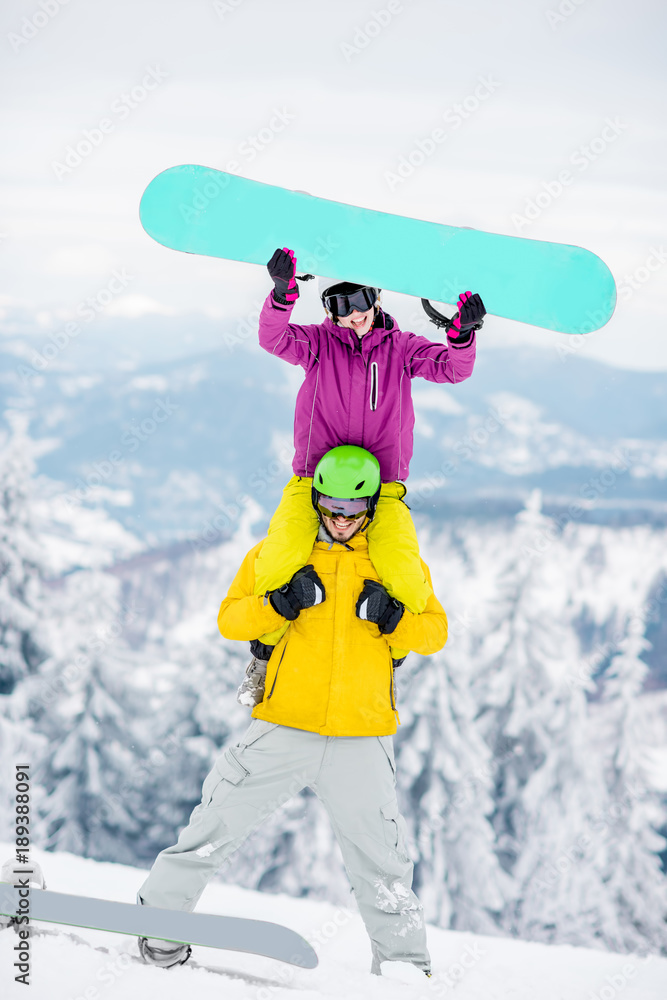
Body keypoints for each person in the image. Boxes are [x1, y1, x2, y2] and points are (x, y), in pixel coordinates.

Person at [137, 445, 448, 980]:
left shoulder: (397, 566)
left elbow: (436, 631)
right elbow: (231, 619)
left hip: (363, 736)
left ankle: (402, 968)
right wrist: (278, 604)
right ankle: (159, 931)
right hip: (283, 725)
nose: (342, 521)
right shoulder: (280, 554)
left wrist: (393, 615)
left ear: (372, 506)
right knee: (214, 823)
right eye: (331, 508)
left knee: (382, 863)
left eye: (353, 511)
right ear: (316, 500)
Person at [244, 247, 482, 687]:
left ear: (375, 297)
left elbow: (452, 369)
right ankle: (263, 657)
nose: (351, 315)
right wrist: (282, 294)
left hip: (383, 487)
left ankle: (391, 657)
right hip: (312, 482)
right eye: (337, 305)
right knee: (282, 555)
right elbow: (273, 338)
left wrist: (462, 336)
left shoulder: (402, 349)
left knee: (401, 567)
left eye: (357, 302)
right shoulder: (316, 344)